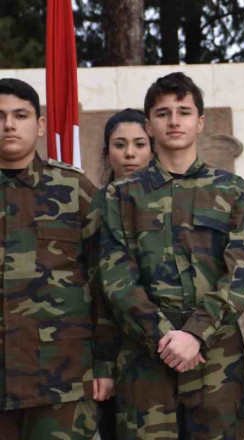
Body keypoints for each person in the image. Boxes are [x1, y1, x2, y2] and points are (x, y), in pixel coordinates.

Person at [98, 72, 244, 439]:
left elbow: (242, 270)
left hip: (216, 357)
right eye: (163, 112)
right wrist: (165, 336)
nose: (173, 120)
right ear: (149, 125)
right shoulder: (120, 195)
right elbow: (116, 276)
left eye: (183, 111)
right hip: (144, 356)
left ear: (200, 122)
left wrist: (196, 335)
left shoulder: (230, 188)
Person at [0, 78, 116, 439]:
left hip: (62, 379)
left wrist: (105, 364)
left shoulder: (74, 189)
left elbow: (105, 280)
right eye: (0, 116)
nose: (9, 124)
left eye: (20, 115)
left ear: (40, 125)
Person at [94, 108, 154, 440]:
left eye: (139, 144)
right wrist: (102, 362)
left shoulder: (171, 201)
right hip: (110, 351)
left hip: (162, 347)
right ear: (106, 152)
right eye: (119, 144)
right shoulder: (93, 205)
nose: (130, 153)